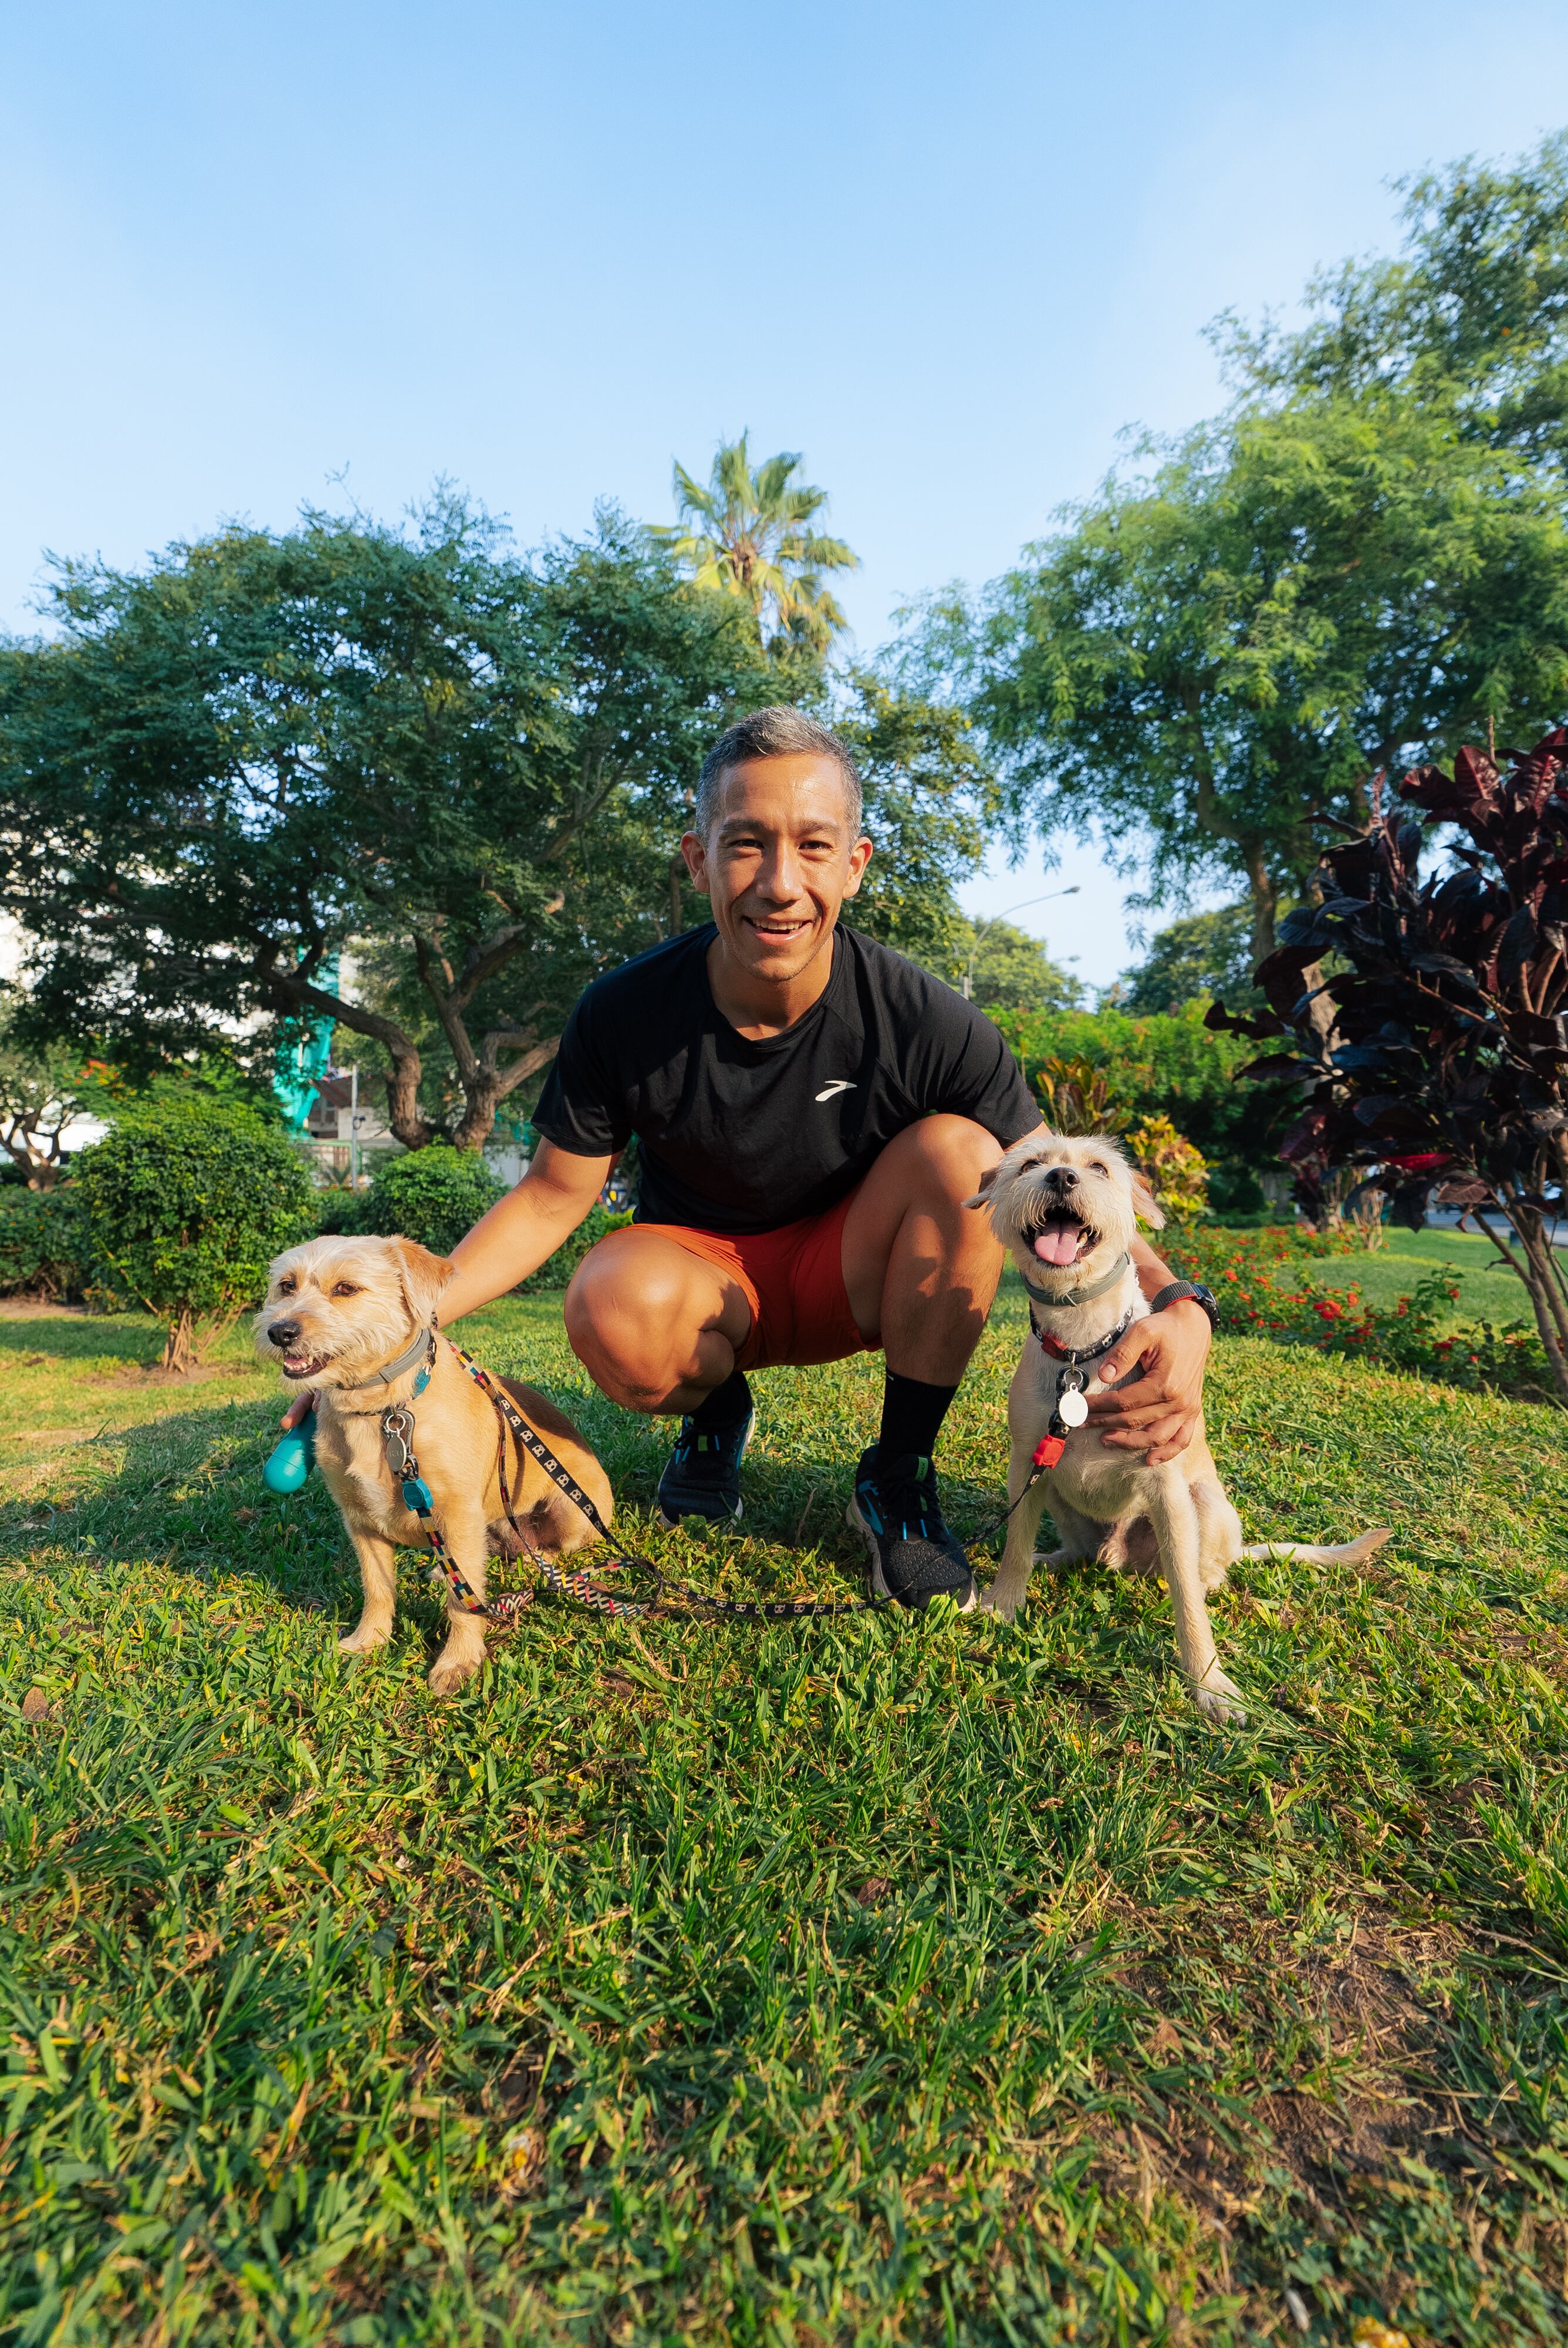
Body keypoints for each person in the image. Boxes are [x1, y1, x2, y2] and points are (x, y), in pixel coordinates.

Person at [283, 705, 1214, 1608]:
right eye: (744, 843)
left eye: (813, 846)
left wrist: (1179, 1307)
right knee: (607, 1298)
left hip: (850, 1276)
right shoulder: (624, 1013)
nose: (779, 881)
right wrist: (381, 1337)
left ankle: (897, 1476)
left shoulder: (926, 1016)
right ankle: (715, 1414)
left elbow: (1061, 1187)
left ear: (854, 866)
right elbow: (549, 1197)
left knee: (965, 1153)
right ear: (698, 860)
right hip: (698, 1281)